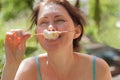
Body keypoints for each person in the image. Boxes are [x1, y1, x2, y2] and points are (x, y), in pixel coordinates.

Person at [1, 0, 112, 80]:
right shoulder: (28, 69)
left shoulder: (98, 68)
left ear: (77, 32)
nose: (50, 27)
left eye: (59, 20)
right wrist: (11, 64)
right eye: (43, 22)